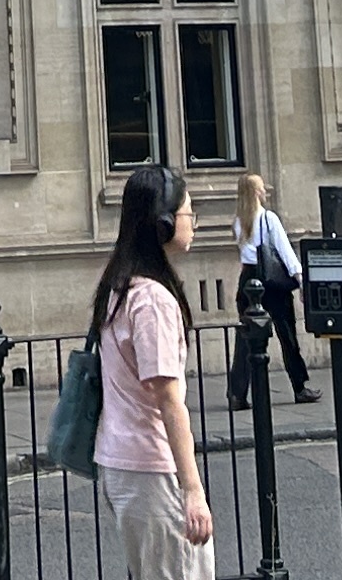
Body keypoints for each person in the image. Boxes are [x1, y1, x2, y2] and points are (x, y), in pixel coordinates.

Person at [88, 164, 212, 580]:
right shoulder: (153, 300)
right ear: (164, 223)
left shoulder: (119, 287)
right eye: (188, 213)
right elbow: (167, 399)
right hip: (151, 468)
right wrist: (192, 489)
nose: (193, 223)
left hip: (122, 462)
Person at [228, 172, 312, 410]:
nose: (265, 191)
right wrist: (300, 280)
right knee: (287, 335)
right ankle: (299, 387)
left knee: (246, 339)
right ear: (256, 192)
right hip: (271, 282)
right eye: (262, 188)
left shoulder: (238, 221)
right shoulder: (268, 218)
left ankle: (237, 394)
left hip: (248, 281)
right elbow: (285, 252)